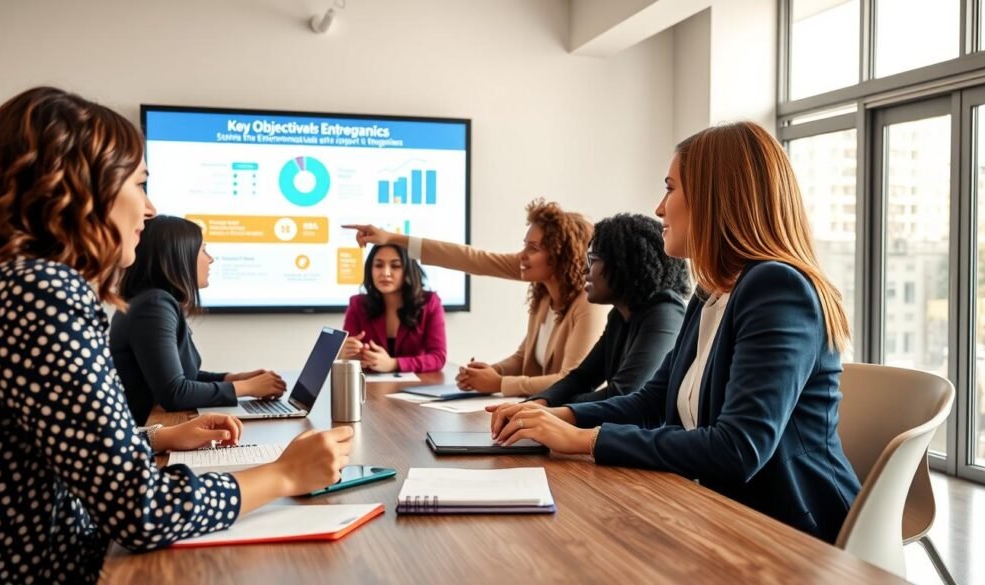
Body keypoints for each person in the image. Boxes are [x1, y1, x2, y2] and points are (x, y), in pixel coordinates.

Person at [0, 87, 352, 585]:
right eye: (139, 183)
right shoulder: (42, 292)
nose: (151, 207)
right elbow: (141, 510)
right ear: (76, 188)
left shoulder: (15, 285)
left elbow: (54, 443)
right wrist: (284, 474)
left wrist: (153, 436)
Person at [488, 121, 861, 543]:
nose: (660, 207)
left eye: (670, 188)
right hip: (715, 511)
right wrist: (561, 416)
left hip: (791, 533)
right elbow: (653, 400)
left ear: (713, 198)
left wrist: (581, 439)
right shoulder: (710, 292)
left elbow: (738, 449)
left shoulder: (777, 287)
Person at [345, 199, 606, 397]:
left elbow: (572, 380)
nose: (522, 255)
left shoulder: (587, 305)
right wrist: (487, 373)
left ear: (562, 255)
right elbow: (469, 258)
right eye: (524, 244)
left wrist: (499, 383)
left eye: (533, 248)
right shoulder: (542, 295)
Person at [111, 215, 286, 425]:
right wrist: (248, 388)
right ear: (179, 256)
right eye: (203, 250)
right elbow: (175, 393)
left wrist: (236, 378)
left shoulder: (151, 301)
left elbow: (185, 376)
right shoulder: (154, 305)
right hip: (144, 436)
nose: (210, 259)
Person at [528, 214, 691, 406]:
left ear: (623, 264)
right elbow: (582, 378)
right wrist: (539, 403)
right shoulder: (620, 315)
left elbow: (623, 394)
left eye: (593, 260)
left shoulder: (665, 314)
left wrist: (555, 410)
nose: (584, 271)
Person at [341, 244, 447, 373]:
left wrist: (393, 364)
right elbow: (349, 357)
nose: (385, 273)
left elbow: (438, 357)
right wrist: (345, 354)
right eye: (378, 265)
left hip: (417, 387)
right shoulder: (357, 304)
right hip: (369, 386)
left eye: (396, 266)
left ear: (408, 270)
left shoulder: (430, 302)